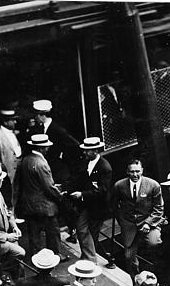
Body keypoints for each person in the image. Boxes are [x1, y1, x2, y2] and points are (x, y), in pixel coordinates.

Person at [31, 99, 80, 244]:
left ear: (41, 115)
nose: (34, 117)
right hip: (49, 171)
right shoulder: (41, 129)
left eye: (36, 115)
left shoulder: (57, 129)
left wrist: (63, 158)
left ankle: (73, 230)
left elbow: (75, 147)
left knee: (65, 203)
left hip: (59, 172)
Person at [110, 159, 163, 282]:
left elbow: (159, 208)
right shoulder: (119, 185)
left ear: (142, 171)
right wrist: (122, 220)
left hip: (148, 222)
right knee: (128, 257)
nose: (135, 175)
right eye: (132, 172)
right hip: (128, 225)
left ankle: (158, 278)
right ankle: (137, 282)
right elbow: (113, 204)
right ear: (127, 172)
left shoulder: (153, 185)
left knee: (155, 243)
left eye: (137, 171)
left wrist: (148, 223)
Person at [18, 134, 68, 262]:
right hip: (45, 205)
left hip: (29, 203)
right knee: (52, 231)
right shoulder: (41, 164)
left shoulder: (26, 160)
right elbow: (49, 187)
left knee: (34, 232)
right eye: (46, 147)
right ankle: (56, 255)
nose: (48, 149)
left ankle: (36, 256)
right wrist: (60, 197)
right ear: (41, 148)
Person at [67, 137, 112, 263]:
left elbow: (102, 190)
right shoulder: (85, 162)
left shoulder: (105, 167)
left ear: (96, 151)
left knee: (92, 233)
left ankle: (88, 259)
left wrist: (82, 194)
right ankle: (90, 258)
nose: (85, 153)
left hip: (98, 206)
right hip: (86, 204)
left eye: (88, 151)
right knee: (81, 229)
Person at [0, 109, 23, 207]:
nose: (15, 122)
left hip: (17, 166)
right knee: (8, 192)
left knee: (16, 190)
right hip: (7, 169)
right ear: (5, 122)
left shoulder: (13, 133)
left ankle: (14, 214)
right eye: (12, 120)